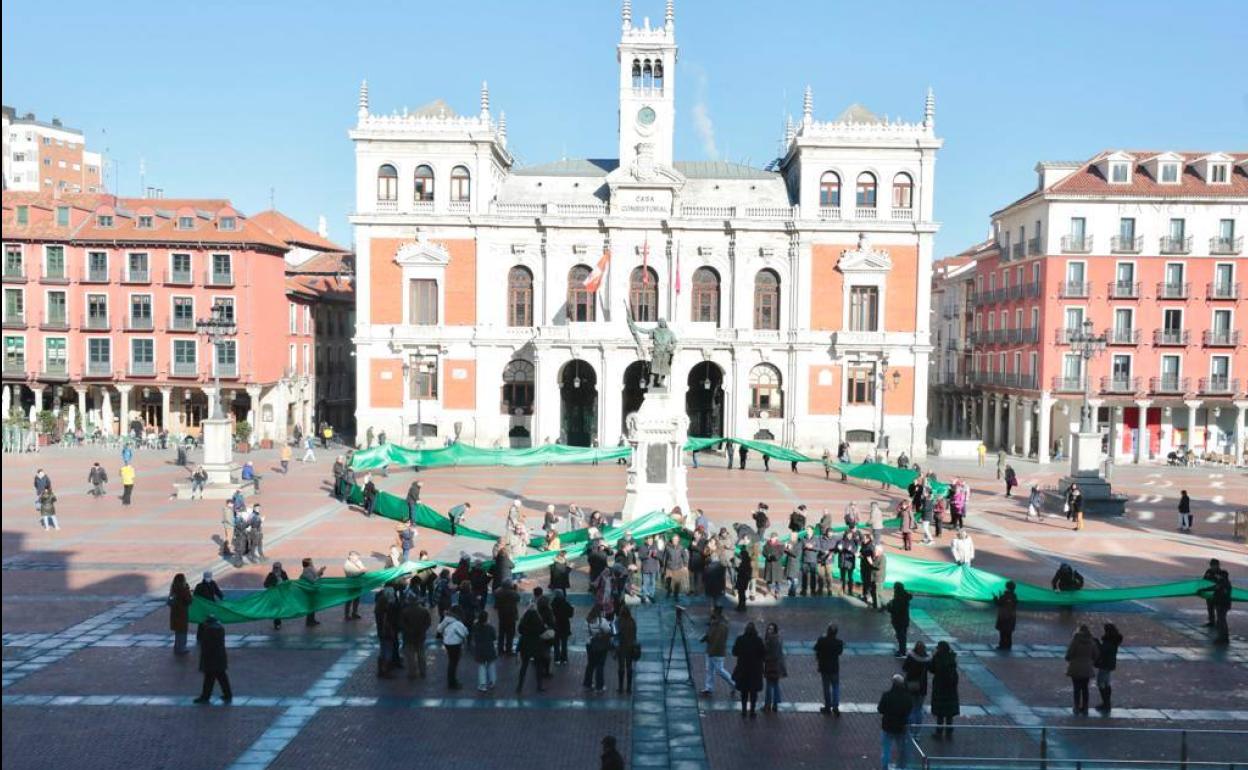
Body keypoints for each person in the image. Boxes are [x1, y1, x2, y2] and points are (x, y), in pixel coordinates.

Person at [193, 615, 232, 704]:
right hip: (220, 658)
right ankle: (227, 694)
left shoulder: (209, 631)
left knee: (209, 678)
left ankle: (205, 696)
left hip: (211, 659)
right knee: (222, 677)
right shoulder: (220, 629)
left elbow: (206, 646)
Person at [731, 621, 766, 718]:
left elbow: (735, 652)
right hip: (755, 670)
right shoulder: (758, 640)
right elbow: (763, 654)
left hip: (743, 669)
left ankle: (743, 710)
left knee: (744, 692)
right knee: (753, 692)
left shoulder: (740, 639)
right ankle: (752, 711)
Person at [878, 674, 913, 769]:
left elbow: (880, 709)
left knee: (886, 749)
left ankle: (885, 767)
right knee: (902, 750)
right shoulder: (907, 697)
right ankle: (901, 767)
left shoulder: (887, 695)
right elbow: (909, 709)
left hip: (887, 726)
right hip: (901, 727)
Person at [1065, 625, 1100, 715]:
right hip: (1087, 668)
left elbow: (1069, 655)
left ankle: (1076, 706)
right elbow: (1096, 655)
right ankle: (1085, 707)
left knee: (1076, 688)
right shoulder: (1091, 642)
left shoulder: (1075, 641)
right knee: (1085, 688)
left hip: (1075, 667)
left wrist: (1071, 659)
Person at [929, 640, 960, 739]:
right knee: (949, 714)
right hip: (950, 692)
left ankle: (939, 731)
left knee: (940, 714)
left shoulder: (938, 658)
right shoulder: (951, 659)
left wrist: (932, 657)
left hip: (940, 689)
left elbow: (932, 669)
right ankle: (949, 731)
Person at [700, 606, 734, 696]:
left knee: (719, 670)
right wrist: (705, 637)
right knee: (710, 670)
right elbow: (710, 633)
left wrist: (709, 645)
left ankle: (733, 683)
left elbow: (718, 640)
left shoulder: (721, 626)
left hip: (716, 651)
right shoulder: (716, 622)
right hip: (712, 650)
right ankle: (709, 688)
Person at [516, 603, 549, 693]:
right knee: (538, 667)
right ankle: (539, 686)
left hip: (525, 645)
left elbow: (520, 630)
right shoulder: (538, 620)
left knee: (524, 666)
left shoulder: (524, 620)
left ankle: (519, 687)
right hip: (536, 645)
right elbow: (542, 631)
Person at [814, 623, 844, 715]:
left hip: (824, 667)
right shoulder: (839, 642)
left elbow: (816, 648)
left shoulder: (822, 640)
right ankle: (835, 707)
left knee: (826, 687)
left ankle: (828, 706)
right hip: (834, 667)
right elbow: (839, 653)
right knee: (835, 687)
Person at [400, 594, 431, 680]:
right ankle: (423, 671)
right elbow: (428, 623)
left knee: (410, 656)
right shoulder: (424, 611)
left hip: (408, 636)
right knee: (421, 654)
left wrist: (409, 630)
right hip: (420, 636)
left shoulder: (405, 611)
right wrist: (422, 630)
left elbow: (402, 624)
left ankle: (412, 672)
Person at [902, 641, 931, 734]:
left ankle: (910, 730)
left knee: (912, 708)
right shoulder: (927, 659)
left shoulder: (911, 657)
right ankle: (917, 732)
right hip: (922, 686)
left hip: (911, 684)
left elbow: (904, 668)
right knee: (919, 708)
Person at [437, 607, 469, 690]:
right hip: (455, 643)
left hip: (447, 643)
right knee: (454, 663)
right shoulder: (458, 623)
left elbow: (439, 629)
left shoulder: (446, 619)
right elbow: (465, 632)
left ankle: (451, 681)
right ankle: (452, 682)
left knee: (451, 662)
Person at [1095, 623, 1123, 713]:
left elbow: (1103, 650)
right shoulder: (1114, 640)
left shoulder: (1109, 641)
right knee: (1106, 683)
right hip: (1109, 664)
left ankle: (1106, 703)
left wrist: (1097, 643)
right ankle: (1107, 703)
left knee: (1101, 683)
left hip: (1104, 664)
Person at [1197, 574, 1233, 646]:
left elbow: (1215, 589)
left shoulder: (1223, 584)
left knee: (1221, 621)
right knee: (1222, 621)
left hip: (1222, 605)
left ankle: (1222, 637)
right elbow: (1213, 588)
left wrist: (1203, 590)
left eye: (1218, 576)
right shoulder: (1224, 583)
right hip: (1223, 605)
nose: (1217, 577)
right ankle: (1224, 637)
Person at [583, 607, 613, 692]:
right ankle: (599, 686)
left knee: (590, 664)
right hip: (601, 645)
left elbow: (585, 632)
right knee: (600, 665)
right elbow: (608, 630)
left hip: (590, 645)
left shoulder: (587, 622)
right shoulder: (602, 621)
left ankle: (587, 684)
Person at [762, 622, 787, 712]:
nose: (769, 631)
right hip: (778, 665)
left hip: (771, 665)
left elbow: (766, 652)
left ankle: (768, 704)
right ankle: (775, 704)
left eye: (771, 629)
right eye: (768, 629)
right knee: (775, 685)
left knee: (769, 685)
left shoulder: (770, 640)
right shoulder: (778, 639)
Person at [472, 610, 499, 692]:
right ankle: (492, 681)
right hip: (490, 648)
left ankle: (482, 684)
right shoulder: (490, 628)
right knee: (491, 665)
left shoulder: (476, 627)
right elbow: (494, 637)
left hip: (480, 649)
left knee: (481, 666)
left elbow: (474, 637)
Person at [614, 604, 638, 693]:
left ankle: (620, 688)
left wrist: (615, 646)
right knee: (629, 667)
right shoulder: (632, 621)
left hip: (621, 647)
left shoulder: (618, 621)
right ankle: (629, 688)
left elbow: (615, 635)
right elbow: (635, 635)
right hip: (630, 647)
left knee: (621, 667)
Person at [168, 573, 193, 655]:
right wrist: (188, 590)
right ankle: (181, 648)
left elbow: (169, 602)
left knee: (178, 632)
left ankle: (177, 647)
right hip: (182, 614)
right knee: (182, 631)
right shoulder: (183, 590)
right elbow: (189, 600)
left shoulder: (173, 588)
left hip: (175, 614)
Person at [887, 582, 912, 657]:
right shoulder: (905, 596)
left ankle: (902, 651)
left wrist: (889, 606)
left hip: (898, 621)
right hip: (905, 620)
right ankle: (902, 650)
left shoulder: (898, 598)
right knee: (902, 635)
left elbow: (895, 610)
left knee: (901, 636)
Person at [1202, 559, 1229, 627]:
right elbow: (1204, 581)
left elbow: (1225, 583)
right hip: (1210, 593)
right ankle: (1212, 621)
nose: (1212, 567)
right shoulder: (1208, 572)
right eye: (1211, 565)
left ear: (1217, 565)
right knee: (1210, 608)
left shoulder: (1223, 573)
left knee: (1219, 610)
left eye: (1214, 565)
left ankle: (1219, 623)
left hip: (1219, 595)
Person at [263, 562, 289, 630]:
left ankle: (278, 622)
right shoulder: (271, 575)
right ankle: (277, 624)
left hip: (281, 594)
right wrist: (273, 584)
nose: (276, 569)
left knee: (280, 609)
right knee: (276, 610)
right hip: (274, 595)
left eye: (277, 567)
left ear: (280, 567)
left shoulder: (283, 573)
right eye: (275, 567)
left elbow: (287, 582)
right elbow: (265, 584)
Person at [993, 581, 1019, 650]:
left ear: (1006, 587)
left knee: (1002, 632)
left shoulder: (1004, 596)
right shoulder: (1014, 596)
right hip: (1011, 616)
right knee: (1009, 632)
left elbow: (998, 603)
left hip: (1003, 616)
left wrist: (995, 598)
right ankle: (1008, 645)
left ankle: (1002, 645)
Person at [662, 534, 689, 601]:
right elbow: (664, 557)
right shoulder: (667, 547)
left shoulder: (681, 547)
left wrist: (685, 565)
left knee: (677, 583)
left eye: (676, 539)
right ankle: (669, 592)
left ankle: (676, 595)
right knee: (668, 582)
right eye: (674, 539)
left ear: (678, 540)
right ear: (672, 540)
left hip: (678, 567)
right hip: (669, 567)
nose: (675, 541)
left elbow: (685, 556)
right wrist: (663, 566)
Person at [301, 558, 326, 626]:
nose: (312, 563)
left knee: (312, 606)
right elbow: (312, 580)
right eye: (311, 562)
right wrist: (319, 575)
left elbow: (315, 575)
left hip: (312, 590)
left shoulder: (310, 569)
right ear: (308, 564)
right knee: (311, 606)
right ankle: (309, 621)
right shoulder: (307, 571)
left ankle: (312, 620)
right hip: (310, 590)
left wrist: (320, 572)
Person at [343, 552, 366, 620]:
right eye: (356, 557)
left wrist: (361, 570)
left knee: (357, 599)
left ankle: (354, 613)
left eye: (358, 558)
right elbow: (352, 574)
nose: (358, 559)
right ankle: (346, 615)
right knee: (349, 599)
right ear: (351, 557)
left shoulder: (358, 561)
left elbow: (363, 568)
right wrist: (361, 571)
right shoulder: (347, 565)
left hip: (358, 583)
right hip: (351, 585)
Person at [837, 532, 858, 597]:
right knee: (842, 578)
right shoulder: (841, 541)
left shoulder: (854, 542)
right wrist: (839, 548)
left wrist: (851, 549)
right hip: (842, 562)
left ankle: (850, 591)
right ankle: (841, 591)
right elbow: (838, 549)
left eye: (850, 535)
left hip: (850, 562)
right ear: (846, 534)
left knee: (850, 578)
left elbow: (855, 551)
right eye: (848, 534)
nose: (849, 536)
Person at [734, 546, 753, 612]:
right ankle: (742, 606)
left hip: (742, 580)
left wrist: (735, 567)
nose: (740, 557)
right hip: (744, 581)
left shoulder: (744, 564)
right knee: (742, 594)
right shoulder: (747, 563)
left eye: (741, 556)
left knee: (741, 594)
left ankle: (741, 606)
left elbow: (740, 571)